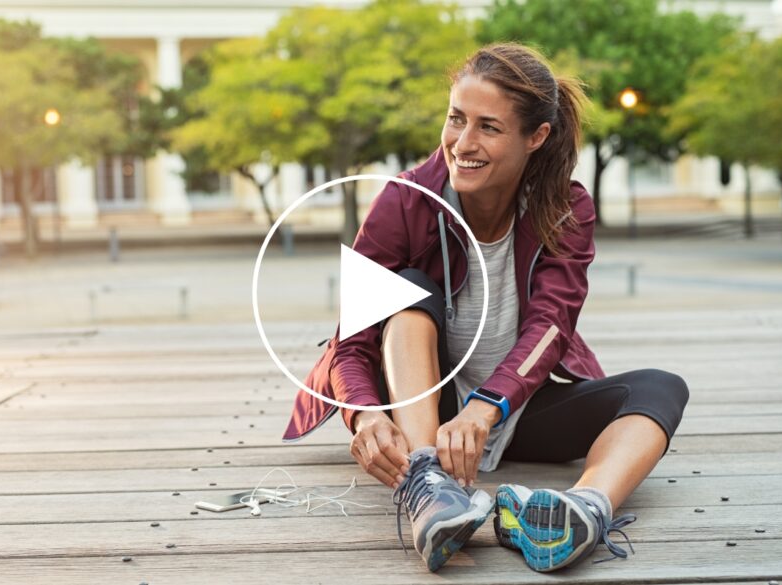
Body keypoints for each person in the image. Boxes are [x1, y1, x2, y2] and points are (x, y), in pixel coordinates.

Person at [283, 43, 689, 573]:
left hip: (510, 408)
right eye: (456, 119)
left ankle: (585, 510)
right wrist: (364, 415)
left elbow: (552, 326)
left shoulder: (566, 208)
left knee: (661, 388)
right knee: (409, 291)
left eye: (488, 127)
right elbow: (351, 343)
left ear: (536, 137)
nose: (462, 143)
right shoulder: (405, 200)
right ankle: (428, 488)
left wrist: (488, 405)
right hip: (423, 414)